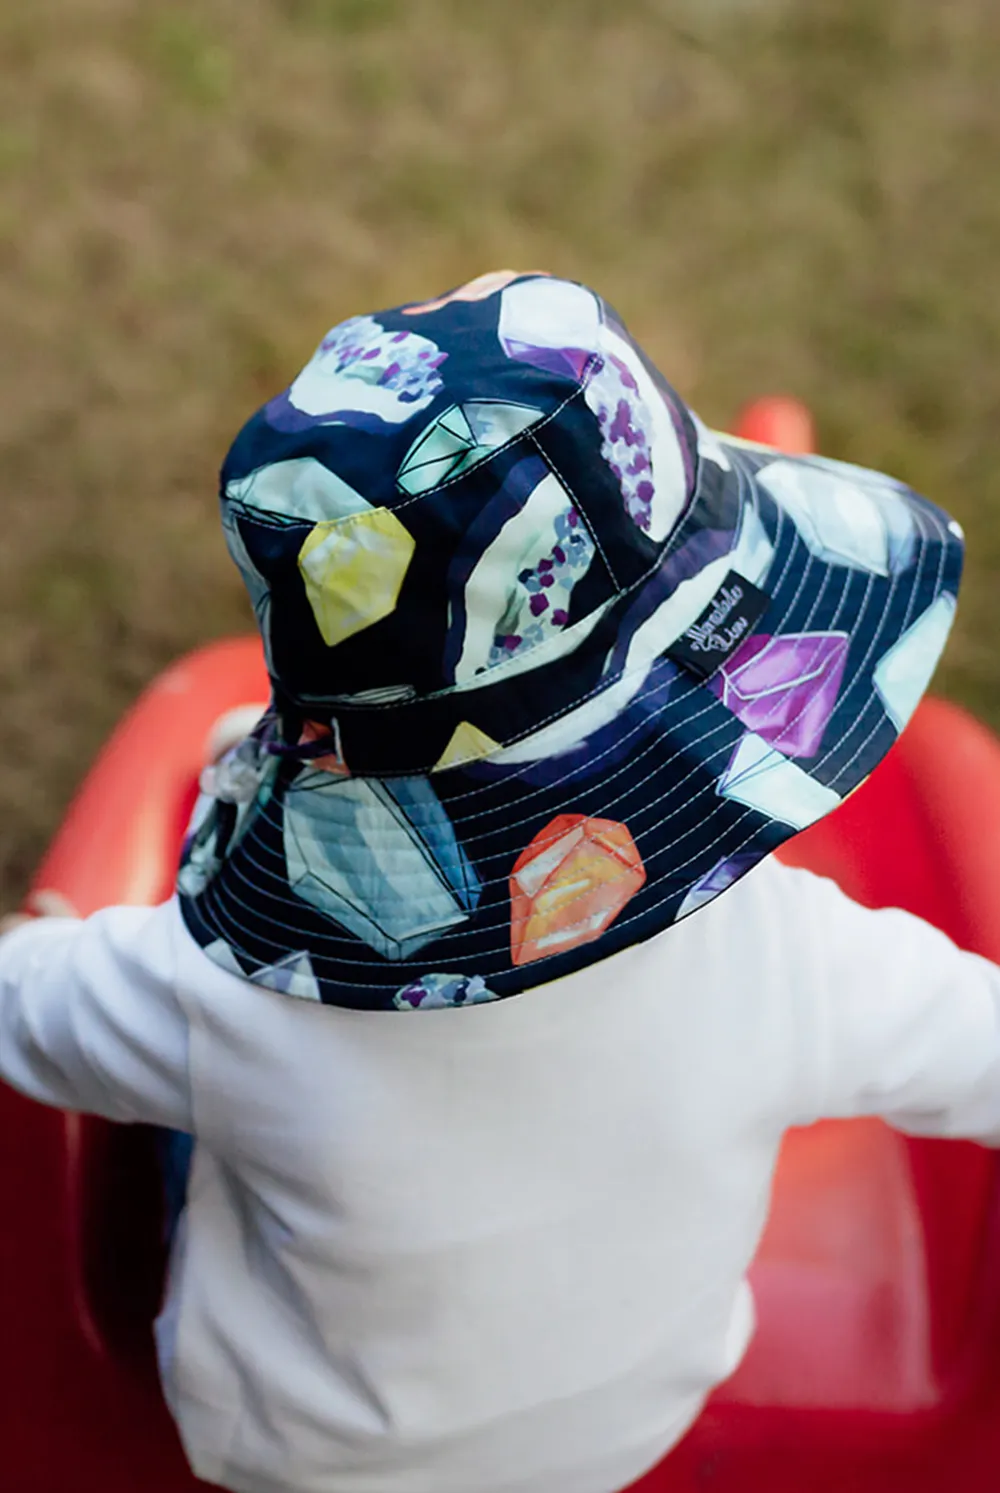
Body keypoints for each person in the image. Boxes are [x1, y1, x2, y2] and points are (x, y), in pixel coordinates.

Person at [0, 271, 996, 1493]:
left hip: (298, 1456)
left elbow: (24, 1009)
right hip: (627, 1437)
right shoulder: (796, 955)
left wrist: (45, 923)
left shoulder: (223, 995)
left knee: (165, 1110)